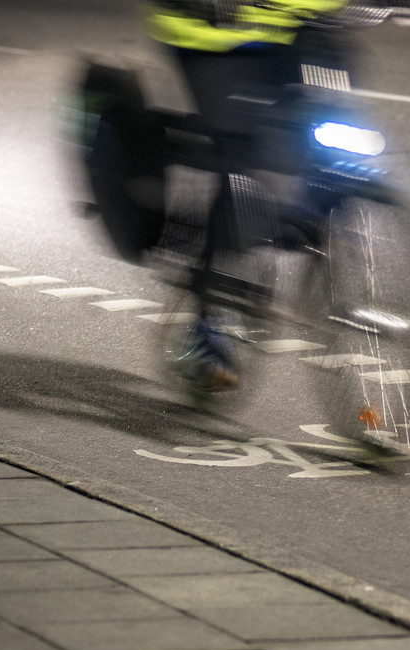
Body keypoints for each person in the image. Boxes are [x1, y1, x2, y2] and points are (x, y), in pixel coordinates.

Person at [143, 0, 351, 394]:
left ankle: (309, 216)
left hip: (287, 30)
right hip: (209, 36)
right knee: (237, 159)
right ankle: (204, 329)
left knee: (331, 127)